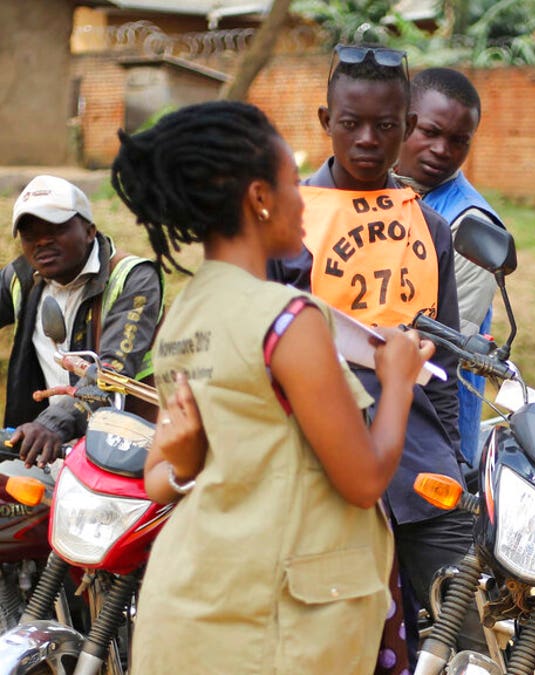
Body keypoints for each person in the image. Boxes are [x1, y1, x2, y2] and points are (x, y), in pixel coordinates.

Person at [112, 100, 434, 673]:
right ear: (259, 198)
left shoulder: (183, 318)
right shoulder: (289, 320)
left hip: (190, 609)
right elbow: (363, 480)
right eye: (291, 183)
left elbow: (161, 479)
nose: (302, 202)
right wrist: (399, 380)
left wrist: (189, 463)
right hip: (277, 633)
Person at [265, 44, 481, 663]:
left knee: (455, 636)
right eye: (350, 123)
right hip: (313, 465)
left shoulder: (430, 227)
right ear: (323, 121)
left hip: (416, 463)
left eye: (385, 126)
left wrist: (453, 459)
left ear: (405, 128)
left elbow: (443, 362)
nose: (367, 139)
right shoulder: (286, 220)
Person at [2, 174, 162, 467]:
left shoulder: (132, 279)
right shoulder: (22, 276)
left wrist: (52, 423)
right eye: (29, 234)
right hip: (44, 450)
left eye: (55, 228)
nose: (42, 241)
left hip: (124, 453)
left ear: (89, 231)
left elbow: (111, 374)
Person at [393, 66, 505, 466]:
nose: (442, 150)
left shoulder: (469, 225)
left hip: (432, 445)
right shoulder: (367, 191)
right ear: (403, 121)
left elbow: (441, 349)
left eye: (459, 141)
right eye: (430, 132)